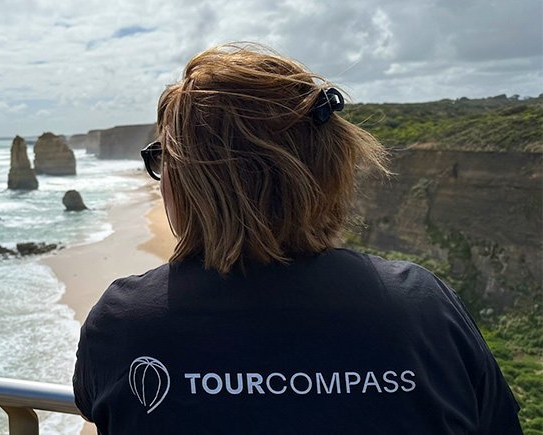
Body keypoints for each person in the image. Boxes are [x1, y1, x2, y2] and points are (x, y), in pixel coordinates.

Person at [72, 43, 521, 434]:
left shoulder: (122, 323)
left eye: (163, 158)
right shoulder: (422, 305)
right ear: (330, 166)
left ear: (192, 182)